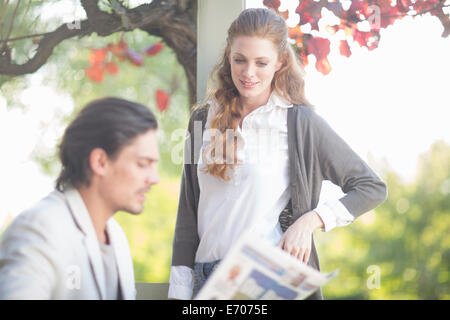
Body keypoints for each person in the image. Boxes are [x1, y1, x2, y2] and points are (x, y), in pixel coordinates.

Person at [169, 8, 388, 300]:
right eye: (240, 60)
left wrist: (310, 221)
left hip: (264, 285)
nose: (248, 73)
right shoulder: (201, 120)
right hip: (206, 286)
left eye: (261, 63)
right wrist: (179, 294)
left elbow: (371, 187)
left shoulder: (299, 123)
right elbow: (187, 219)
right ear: (228, 55)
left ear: (280, 62)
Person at [0, 97, 160, 299]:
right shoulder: (39, 230)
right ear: (100, 162)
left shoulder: (116, 237)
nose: (155, 178)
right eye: (143, 163)